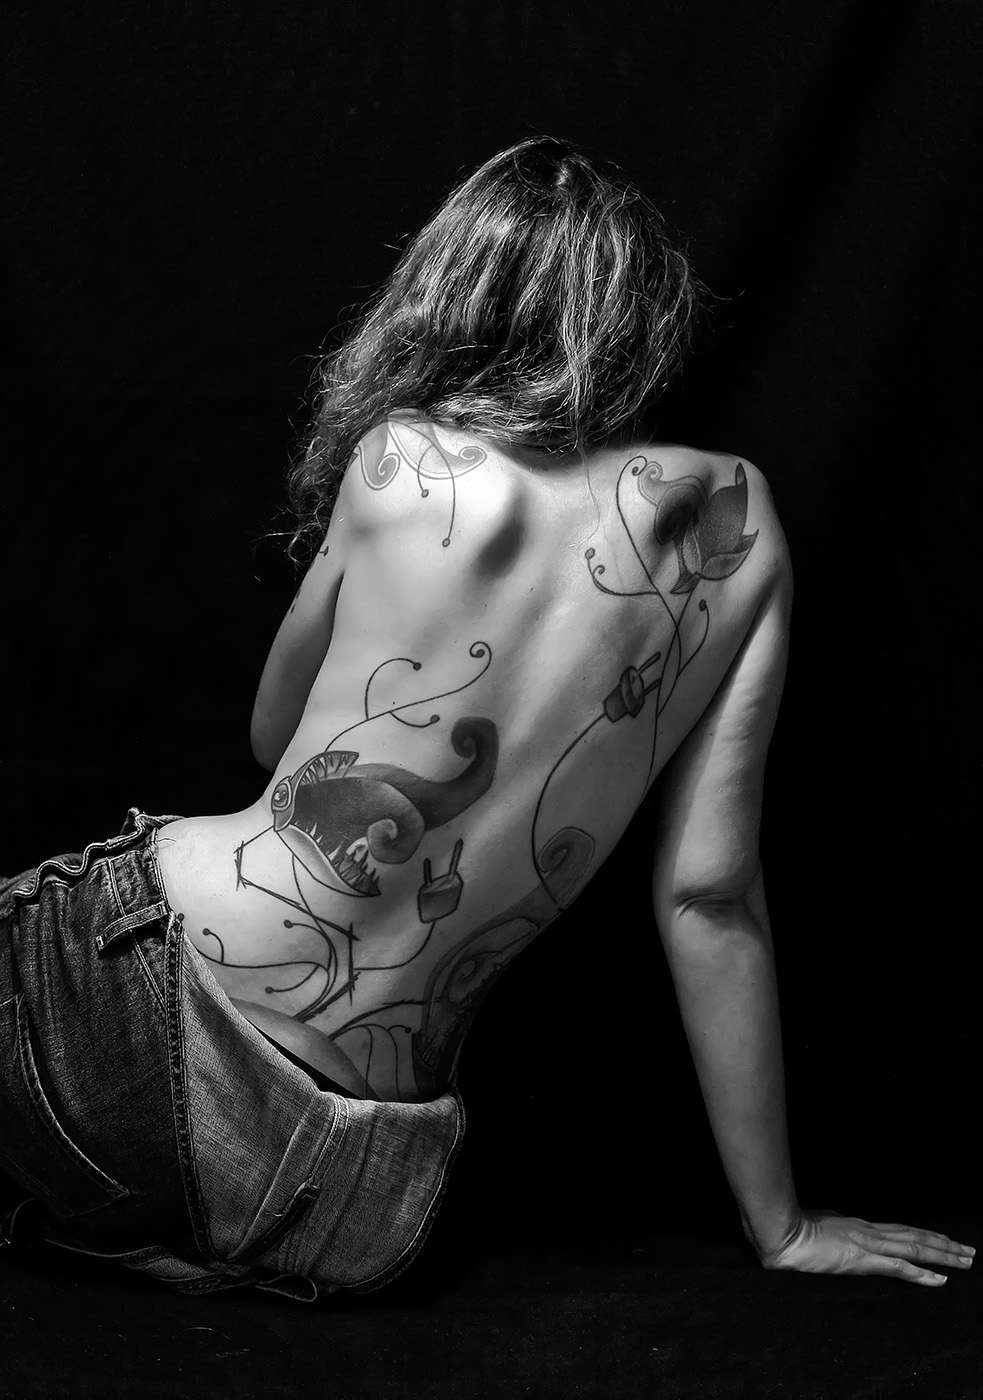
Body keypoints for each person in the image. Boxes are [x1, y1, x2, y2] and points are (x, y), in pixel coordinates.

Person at [0, 137, 972, 1301]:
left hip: (126, 1005)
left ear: (453, 295)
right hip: (352, 1191)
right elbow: (708, 896)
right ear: (641, 322)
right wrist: (782, 1224)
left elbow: (272, 738)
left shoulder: (400, 460)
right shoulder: (738, 520)